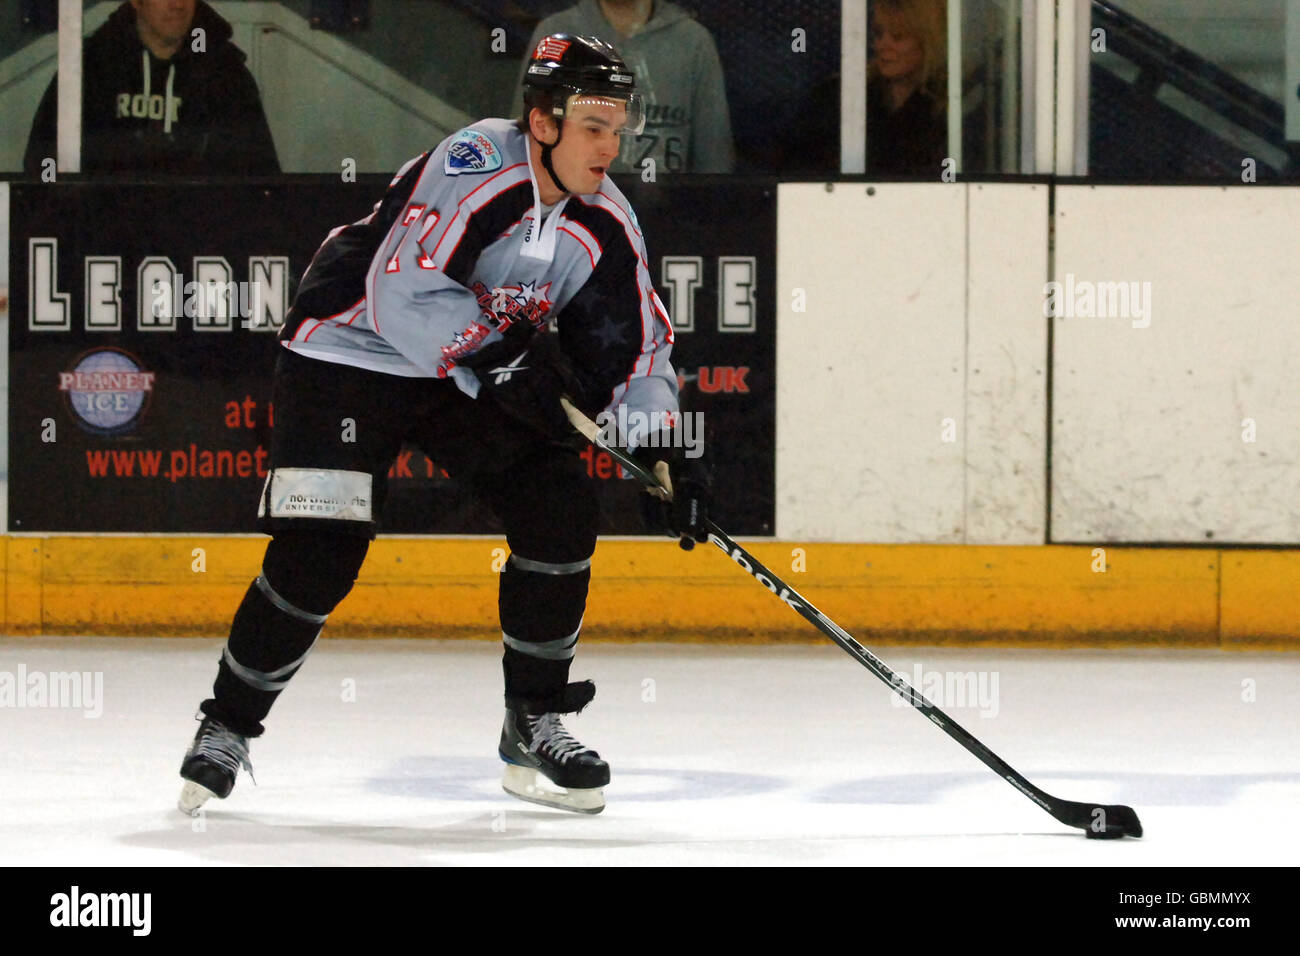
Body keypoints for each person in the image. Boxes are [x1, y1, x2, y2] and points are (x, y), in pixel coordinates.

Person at [176, 34, 710, 816]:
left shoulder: (605, 219)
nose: (611, 144)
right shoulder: (473, 164)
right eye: (593, 123)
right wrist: (509, 362)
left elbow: (637, 346)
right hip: (350, 351)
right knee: (321, 545)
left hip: (461, 369)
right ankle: (227, 725)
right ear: (542, 121)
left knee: (557, 505)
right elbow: (403, 291)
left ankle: (534, 718)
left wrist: (665, 451)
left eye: (618, 125)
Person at [23, 0, 279, 176]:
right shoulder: (92, 67)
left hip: (199, 240)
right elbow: (43, 163)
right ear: (136, 1)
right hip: (104, 240)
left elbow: (260, 177)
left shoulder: (225, 74)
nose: (178, 4)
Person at [518, 1, 734, 174]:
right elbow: (523, 146)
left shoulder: (693, 42)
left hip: (669, 215)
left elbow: (714, 159)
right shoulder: (555, 35)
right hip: (570, 216)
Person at [785, 0, 947, 175]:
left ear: (928, 41)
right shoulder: (836, 95)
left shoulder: (947, 105)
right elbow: (797, 166)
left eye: (897, 36)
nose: (882, 45)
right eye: (878, 34)